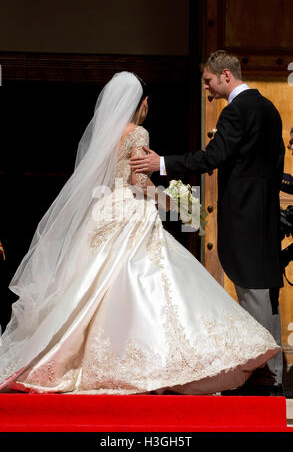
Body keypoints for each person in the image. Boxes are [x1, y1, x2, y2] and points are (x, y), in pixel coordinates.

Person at [0, 71, 280, 395]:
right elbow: (139, 183)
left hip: (104, 211)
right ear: (141, 104)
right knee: (150, 283)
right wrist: (174, 204)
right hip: (130, 212)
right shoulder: (138, 134)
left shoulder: (104, 137)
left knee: (93, 288)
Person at [130, 52, 285, 396]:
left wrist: (162, 162)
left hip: (243, 216)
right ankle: (273, 370)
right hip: (265, 214)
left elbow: (212, 157)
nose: (206, 87)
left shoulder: (236, 111)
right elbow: (276, 163)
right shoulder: (270, 110)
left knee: (252, 294)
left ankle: (264, 374)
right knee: (266, 292)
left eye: (208, 80)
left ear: (226, 76)